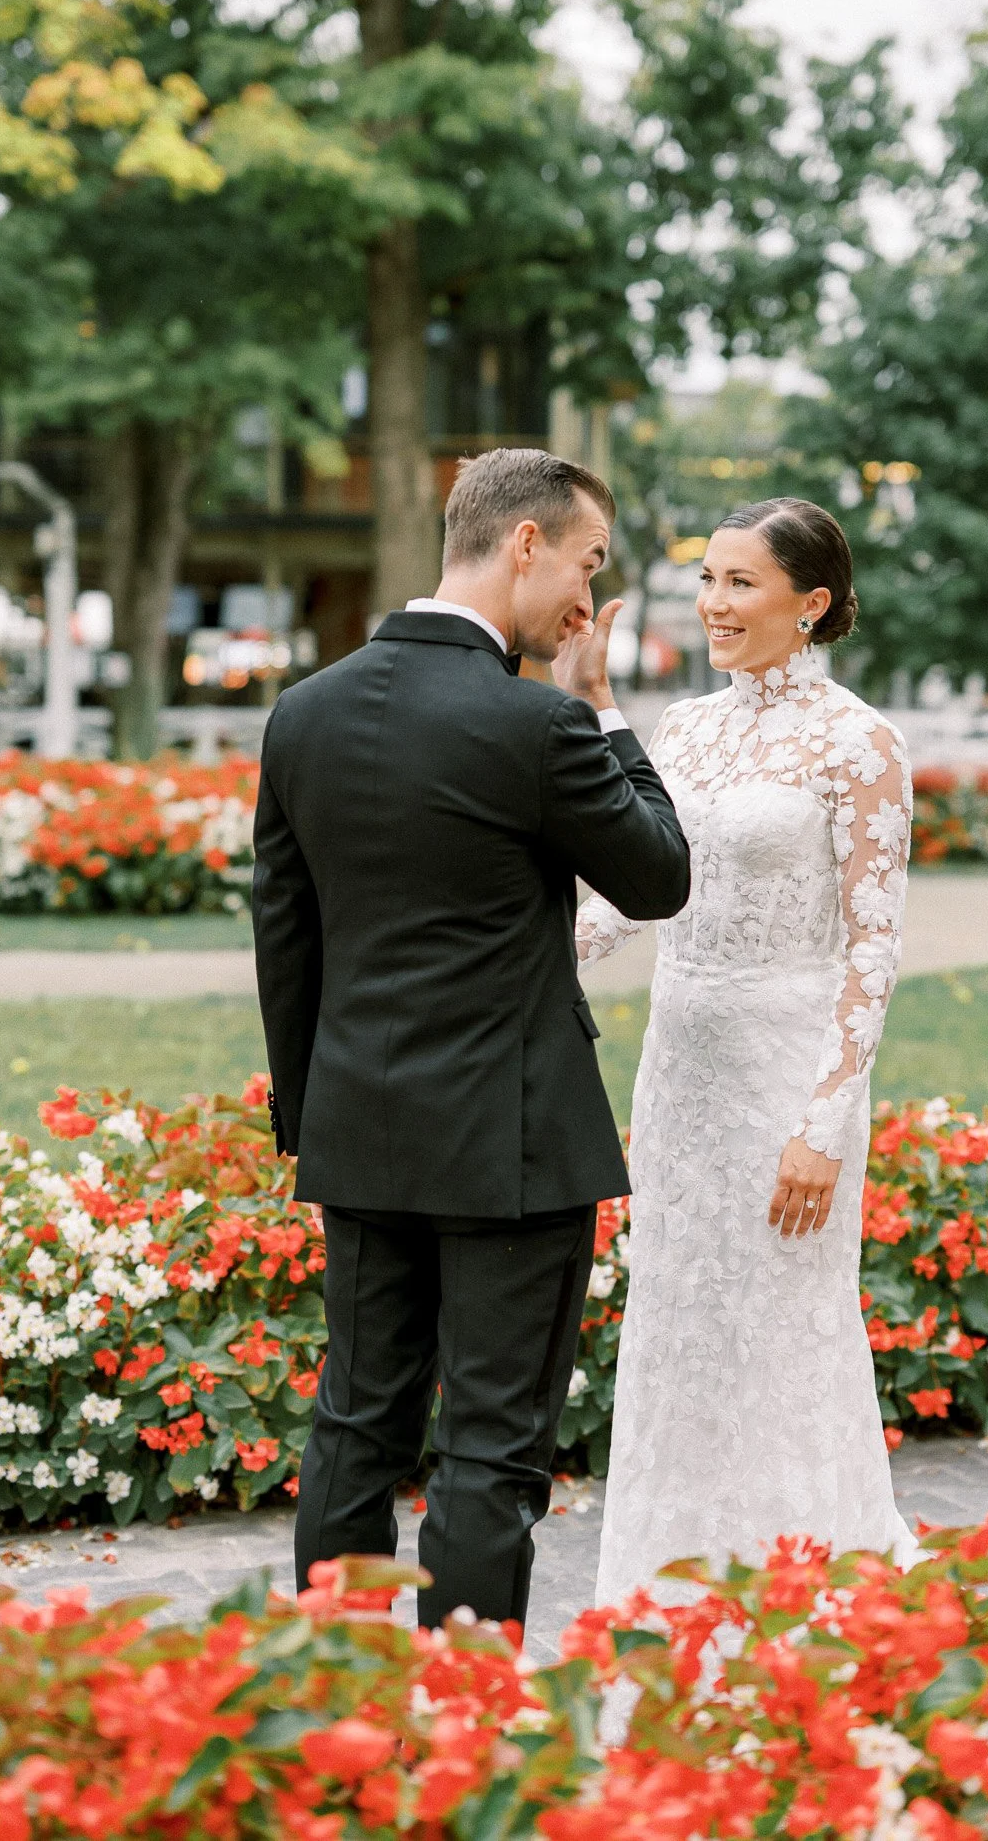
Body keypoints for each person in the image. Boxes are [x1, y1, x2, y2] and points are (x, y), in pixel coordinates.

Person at [252, 446, 690, 1629]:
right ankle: (464, 1724)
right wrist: (600, 705)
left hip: (357, 1127)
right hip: (512, 1150)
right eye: (587, 561)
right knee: (491, 1452)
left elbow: (283, 940)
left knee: (355, 1422)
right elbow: (658, 878)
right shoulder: (539, 725)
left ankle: (331, 1704)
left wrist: (312, 1119)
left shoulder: (304, 713)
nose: (585, 599)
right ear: (525, 543)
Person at [578, 496, 917, 1600]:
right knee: (682, 1321)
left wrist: (825, 1120)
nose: (712, 604)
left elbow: (871, 945)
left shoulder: (859, 742)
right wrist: (524, 954)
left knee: (780, 1327)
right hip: (680, 1068)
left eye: (739, 583)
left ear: (809, 604)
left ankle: (799, 1584)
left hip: (786, 1078)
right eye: (707, 579)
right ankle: (668, 1583)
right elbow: (639, 897)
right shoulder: (682, 731)